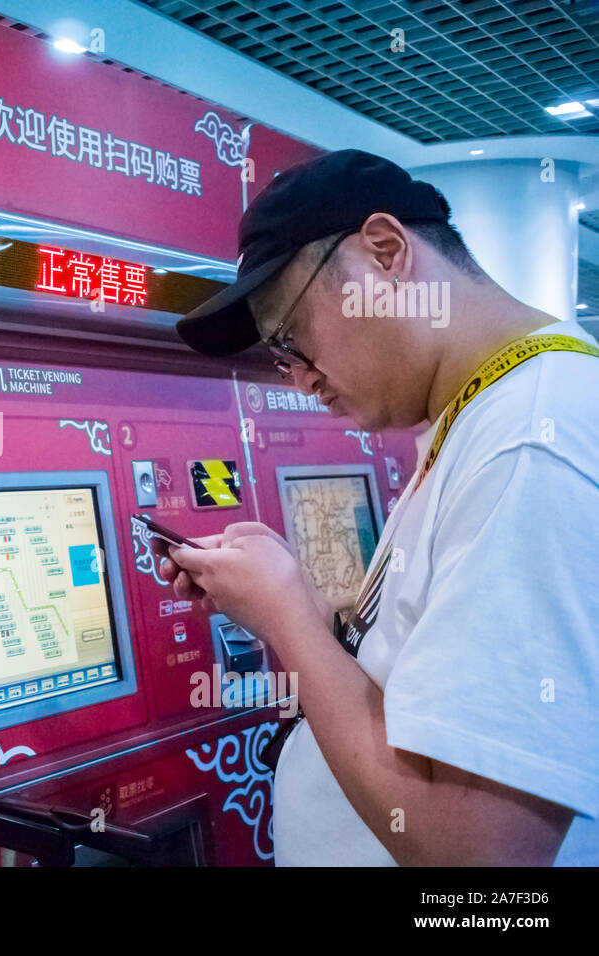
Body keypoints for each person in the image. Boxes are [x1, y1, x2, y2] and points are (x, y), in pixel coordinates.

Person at [155, 149, 599, 865]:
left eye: (292, 340)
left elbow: (481, 860)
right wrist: (297, 598)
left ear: (386, 253)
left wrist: (288, 621)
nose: (299, 382)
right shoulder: (484, 416)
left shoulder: (528, 441)